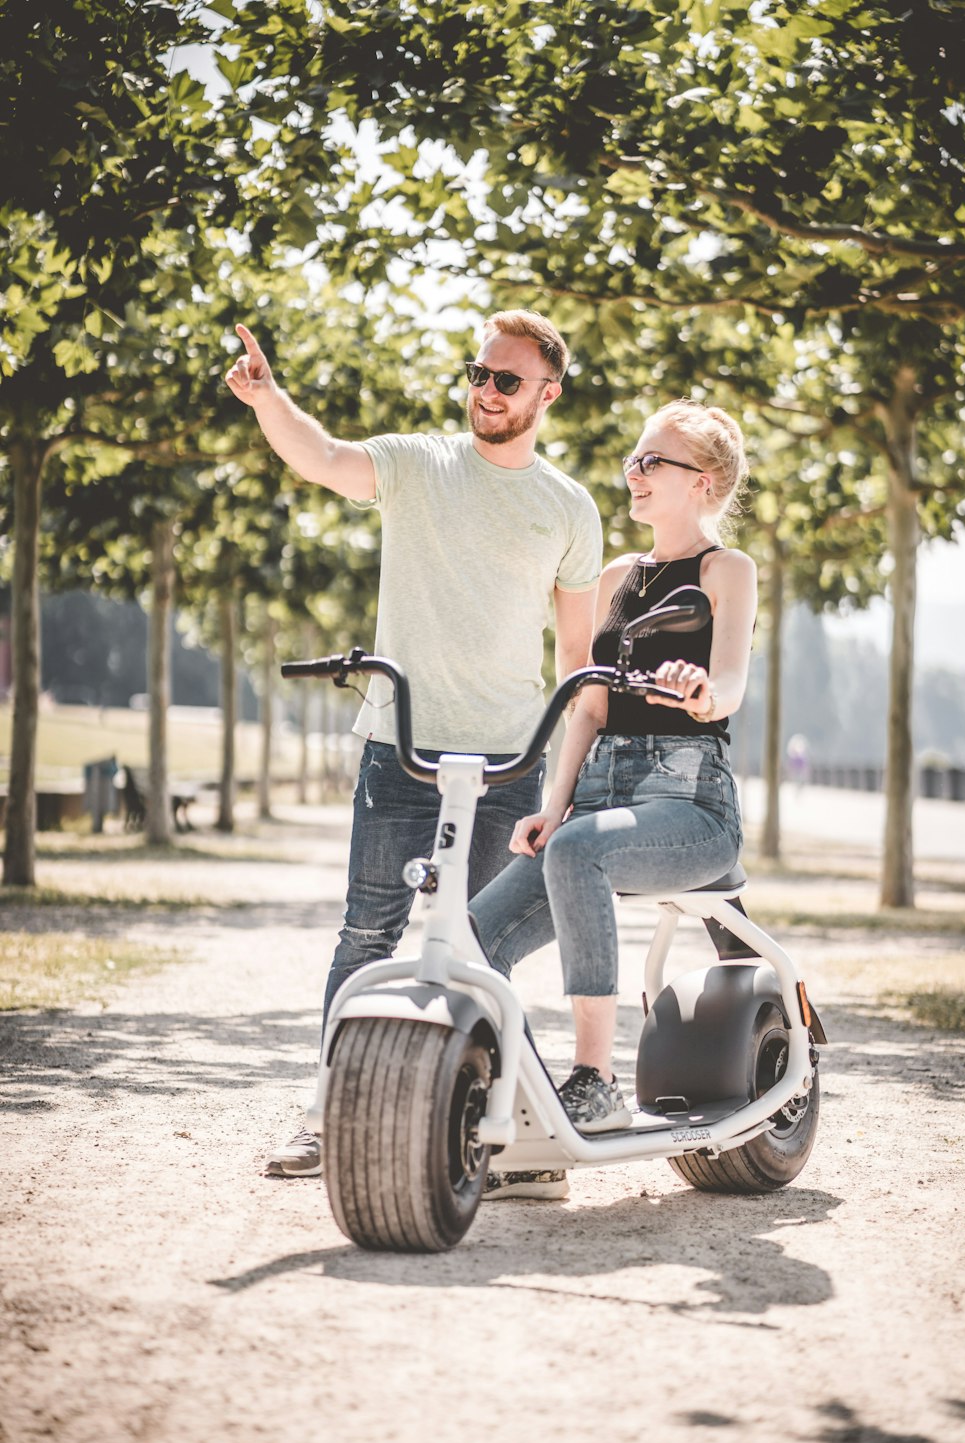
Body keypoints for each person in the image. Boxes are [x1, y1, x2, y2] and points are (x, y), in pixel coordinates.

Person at [224, 311, 604, 1177]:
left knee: (483, 947)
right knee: (367, 935)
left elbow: (576, 662)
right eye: (477, 373)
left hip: (510, 760)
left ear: (548, 393)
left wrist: (568, 781)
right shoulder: (416, 463)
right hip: (400, 751)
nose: (485, 391)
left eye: (506, 380)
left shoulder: (568, 509)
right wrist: (267, 397)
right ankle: (330, 1116)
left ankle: (500, 1125)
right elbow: (321, 456)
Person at [469, 398, 757, 1201]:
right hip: (594, 806)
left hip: (691, 806)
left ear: (701, 483)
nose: (633, 471)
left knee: (579, 851)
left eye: (652, 462)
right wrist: (552, 805)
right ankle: (529, 1129)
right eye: (633, 458)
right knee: (470, 938)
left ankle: (592, 1080)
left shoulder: (725, 571)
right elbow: (588, 704)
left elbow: (730, 682)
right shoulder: (616, 578)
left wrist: (701, 691)